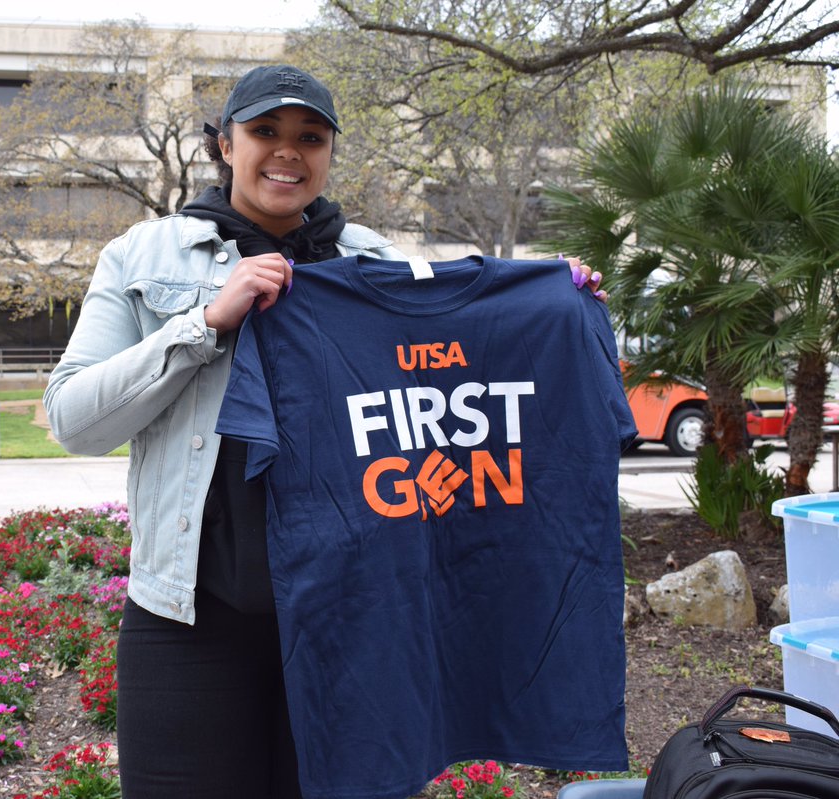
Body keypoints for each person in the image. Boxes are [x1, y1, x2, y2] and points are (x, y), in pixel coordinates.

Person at [43, 64, 604, 799]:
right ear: (223, 143)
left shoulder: (373, 262)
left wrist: (551, 301)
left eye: (310, 137)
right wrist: (205, 322)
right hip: (189, 614)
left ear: (330, 152)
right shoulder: (143, 256)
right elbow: (72, 417)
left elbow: (454, 358)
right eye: (265, 132)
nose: (288, 151)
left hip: (352, 614)